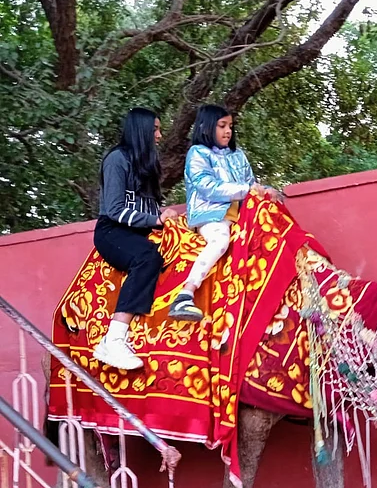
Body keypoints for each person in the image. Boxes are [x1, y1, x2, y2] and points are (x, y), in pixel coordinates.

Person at [168, 104, 281, 321]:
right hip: (211, 215)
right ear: (206, 127)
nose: (228, 131)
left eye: (230, 126)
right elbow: (206, 186)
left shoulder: (238, 155)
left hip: (239, 215)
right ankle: (185, 294)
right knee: (220, 241)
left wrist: (265, 190)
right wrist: (246, 190)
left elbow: (250, 183)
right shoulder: (198, 153)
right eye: (222, 126)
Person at [93, 107, 179, 370]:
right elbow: (116, 210)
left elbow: (150, 207)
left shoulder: (147, 165)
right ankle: (114, 338)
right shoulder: (116, 160)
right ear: (141, 130)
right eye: (155, 129)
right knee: (146, 257)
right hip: (113, 231)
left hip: (140, 232)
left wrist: (165, 217)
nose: (159, 136)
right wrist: (156, 220)